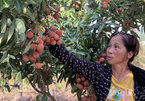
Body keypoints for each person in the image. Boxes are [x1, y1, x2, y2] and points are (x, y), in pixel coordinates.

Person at [48, 32, 145, 101]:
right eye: (109, 46)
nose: (109, 51)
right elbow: (70, 60)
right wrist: (48, 35)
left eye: (116, 47)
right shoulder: (100, 73)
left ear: (129, 54)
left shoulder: (141, 80)